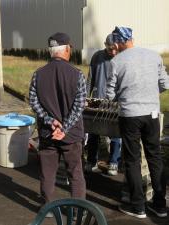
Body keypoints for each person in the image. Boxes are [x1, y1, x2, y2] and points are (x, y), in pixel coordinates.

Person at [106, 26, 169, 219]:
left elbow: (109, 95)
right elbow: (165, 84)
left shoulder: (116, 61)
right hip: (151, 114)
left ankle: (138, 207)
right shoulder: (154, 56)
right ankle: (160, 205)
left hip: (130, 115)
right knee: (155, 157)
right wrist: (149, 94)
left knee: (132, 160)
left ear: (117, 42)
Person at [29, 32, 86, 216]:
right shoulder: (77, 74)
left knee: (47, 172)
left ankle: (48, 208)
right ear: (67, 49)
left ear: (51, 51)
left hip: (48, 133)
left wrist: (49, 120)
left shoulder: (38, 74)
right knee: (75, 173)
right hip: (71, 135)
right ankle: (79, 210)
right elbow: (79, 106)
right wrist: (65, 127)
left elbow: (33, 101)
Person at [85, 34, 121, 176]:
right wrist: (86, 97)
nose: (112, 52)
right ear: (105, 45)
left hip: (115, 102)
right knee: (93, 132)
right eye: (110, 48)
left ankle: (113, 163)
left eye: (115, 49)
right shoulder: (97, 56)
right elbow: (90, 79)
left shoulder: (121, 58)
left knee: (115, 133)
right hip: (97, 101)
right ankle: (91, 162)